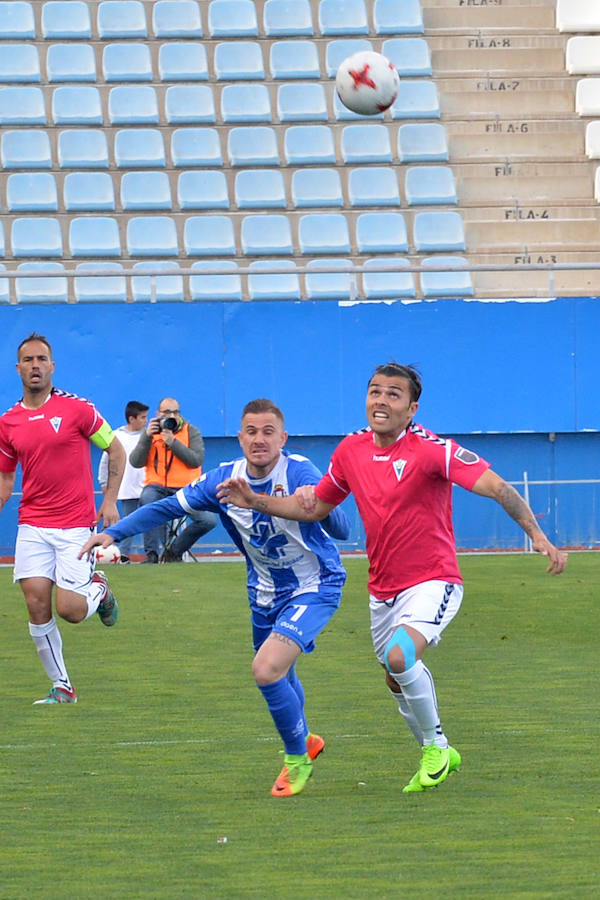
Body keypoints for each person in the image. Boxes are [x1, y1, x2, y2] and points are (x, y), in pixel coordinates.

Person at [216, 363, 568, 794]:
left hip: (434, 580)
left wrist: (538, 537)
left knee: (400, 657)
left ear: (411, 408)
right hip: (383, 591)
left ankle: (435, 750)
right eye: (375, 391)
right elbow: (315, 508)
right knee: (393, 673)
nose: (381, 400)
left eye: (393, 394)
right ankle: (441, 752)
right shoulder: (350, 451)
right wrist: (257, 501)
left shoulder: (432, 450)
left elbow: (497, 487)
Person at [81, 398, 350, 797]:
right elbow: (168, 506)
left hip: (316, 584)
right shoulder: (222, 481)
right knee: (281, 672)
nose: (260, 440)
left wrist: (321, 506)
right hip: (263, 591)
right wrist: (115, 533)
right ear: (240, 437)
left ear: (284, 438)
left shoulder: (300, 472)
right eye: (252, 432)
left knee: (266, 669)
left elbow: (343, 529)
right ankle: (306, 739)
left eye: (268, 432)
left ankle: (296, 759)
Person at [0, 333, 125, 705]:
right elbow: (6, 479)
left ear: (52, 366)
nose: (35, 365)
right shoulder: (8, 423)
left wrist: (111, 500)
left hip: (75, 525)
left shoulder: (79, 410)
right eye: (28, 360)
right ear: (18, 368)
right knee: (36, 604)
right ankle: (62, 686)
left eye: (42, 359)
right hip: (33, 525)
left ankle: (99, 588)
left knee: (69, 610)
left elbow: (115, 449)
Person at [129, 396, 217, 563]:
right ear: (158, 414)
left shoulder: (191, 431)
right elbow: (135, 461)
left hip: (187, 489)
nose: (171, 416)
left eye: (175, 412)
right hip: (157, 487)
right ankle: (152, 555)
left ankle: (174, 552)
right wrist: (147, 437)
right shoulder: (151, 433)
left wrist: (173, 442)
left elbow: (196, 460)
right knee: (147, 500)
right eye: (167, 412)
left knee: (208, 520)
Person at [98, 400, 149, 563]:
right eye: (142, 417)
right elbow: (105, 462)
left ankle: (153, 553)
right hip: (126, 488)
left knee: (150, 519)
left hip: (148, 486)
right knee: (128, 521)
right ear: (132, 419)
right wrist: (104, 483)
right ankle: (122, 554)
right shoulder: (117, 436)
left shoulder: (149, 435)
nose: (145, 421)